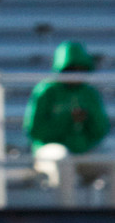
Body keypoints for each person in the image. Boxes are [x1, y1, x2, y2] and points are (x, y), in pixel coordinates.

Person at [23, 40, 115, 205]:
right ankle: (66, 216)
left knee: (112, 161)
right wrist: (66, 120)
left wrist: (87, 119)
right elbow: (34, 130)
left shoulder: (89, 93)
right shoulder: (46, 91)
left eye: (80, 69)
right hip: (49, 150)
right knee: (63, 158)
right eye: (72, 69)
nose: (76, 74)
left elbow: (101, 130)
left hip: (83, 151)